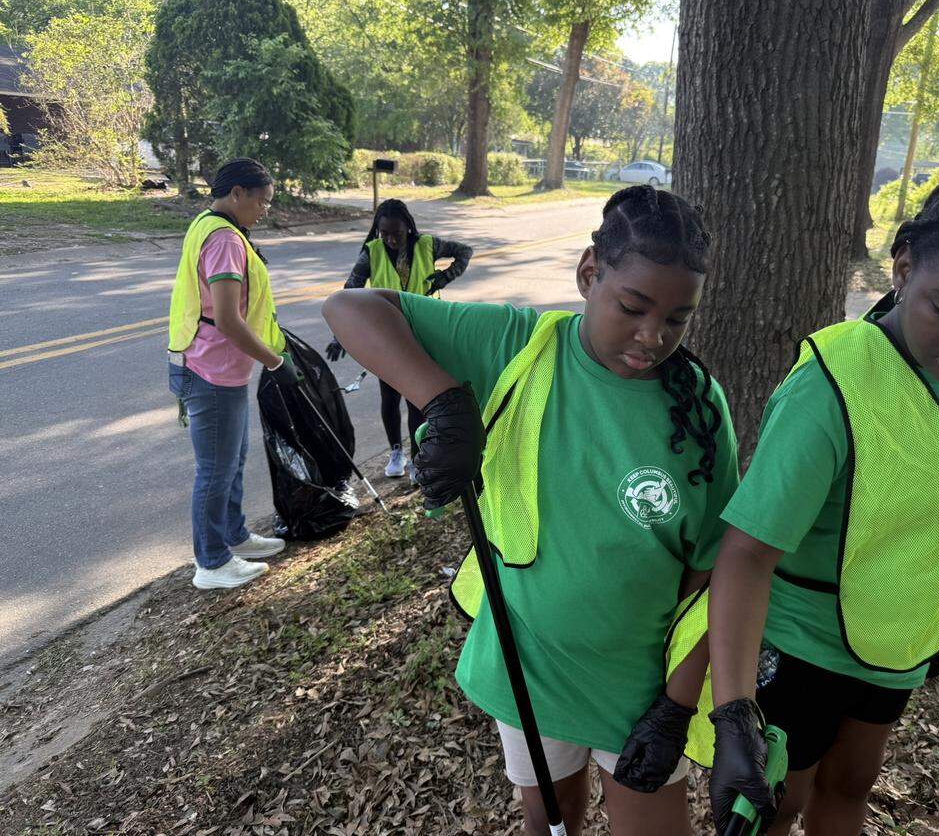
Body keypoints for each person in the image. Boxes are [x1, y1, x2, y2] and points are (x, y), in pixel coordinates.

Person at [323, 186, 739, 835]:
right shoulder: (517, 346)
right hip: (530, 669)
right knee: (549, 820)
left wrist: (676, 706)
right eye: (633, 305)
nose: (652, 335)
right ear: (588, 273)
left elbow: (713, 573)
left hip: (640, 688)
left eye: (678, 318)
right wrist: (443, 401)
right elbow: (348, 306)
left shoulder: (700, 407)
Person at [705, 171, 939, 835]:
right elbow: (747, 554)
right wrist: (734, 714)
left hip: (892, 643)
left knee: (851, 782)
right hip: (803, 649)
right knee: (776, 802)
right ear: (901, 269)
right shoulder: (831, 388)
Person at [167, 157, 304, 590]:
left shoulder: (209, 225)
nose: (265, 210)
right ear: (237, 194)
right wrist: (275, 361)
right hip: (209, 371)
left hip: (215, 368)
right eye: (261, 201)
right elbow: (227, 318)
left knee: (231, 461)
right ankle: (211, 564)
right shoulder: (224, 239)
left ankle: (234, 536)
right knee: (215, 470)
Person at [324, 198, 473, 483]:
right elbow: (349, 292)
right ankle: (396, 453)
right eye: (385, 234)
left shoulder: (427, 245)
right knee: (389, 396)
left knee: (419, 399)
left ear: (409, 228)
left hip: (424, 330)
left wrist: (445, 277)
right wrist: (339, 336)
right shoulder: (372, 253)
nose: (391, 239)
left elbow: (465, 252)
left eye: (397, 233)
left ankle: (418, 457)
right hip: (386, 335)